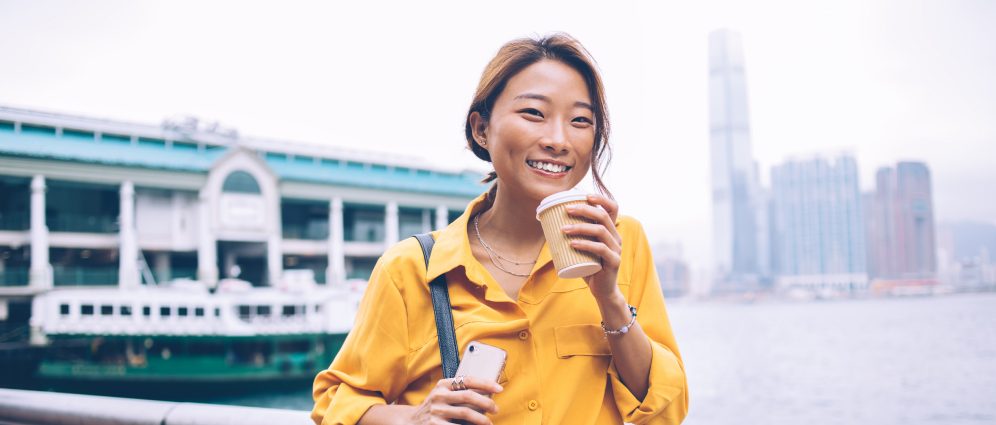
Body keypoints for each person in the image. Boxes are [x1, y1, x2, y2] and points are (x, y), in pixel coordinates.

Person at [312, 33, 688, 425]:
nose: (558, 140)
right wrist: (412, 418)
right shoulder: (410, 268)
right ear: (481, 129)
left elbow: (667, 409)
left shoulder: (618, 242)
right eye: (533, 113)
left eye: (580, 121)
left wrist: (609, 298)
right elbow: (337, 399)